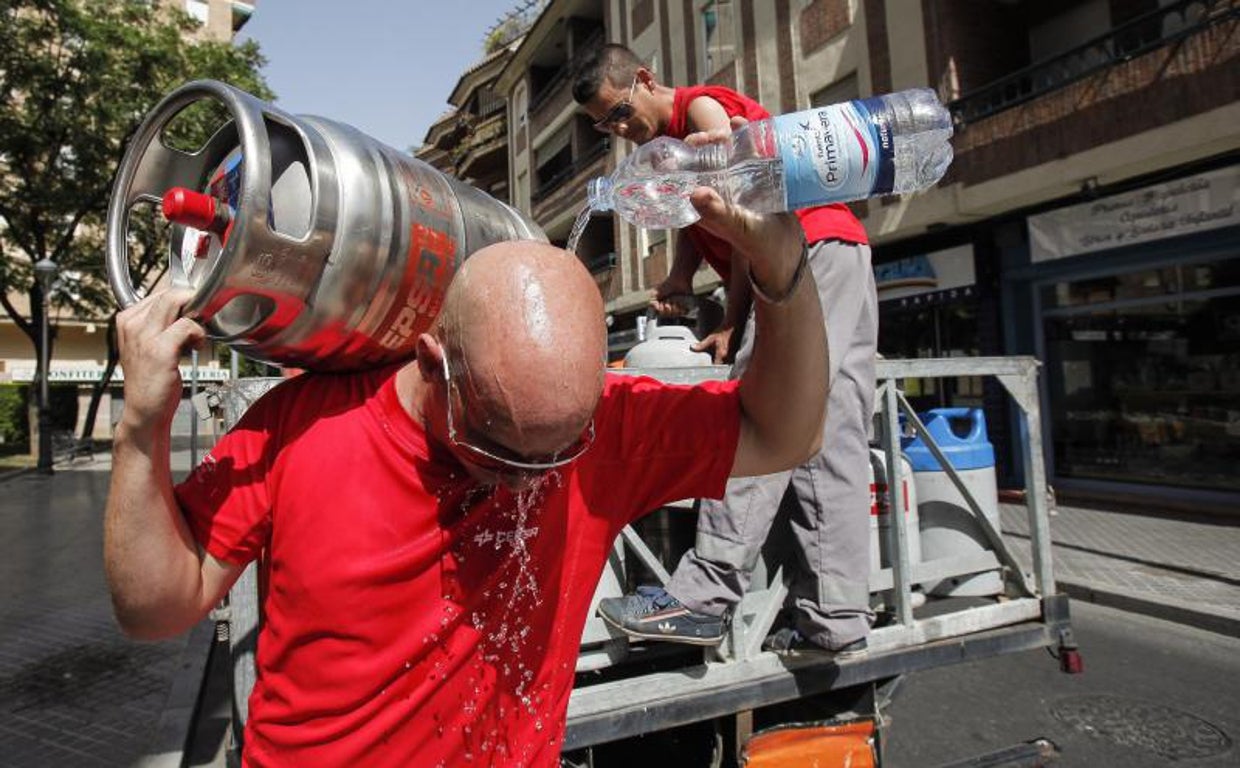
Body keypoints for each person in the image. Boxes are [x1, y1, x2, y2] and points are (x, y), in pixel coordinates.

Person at [103, 154, 829, 767]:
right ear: (435, 360)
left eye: (555, 457)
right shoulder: (299, 427)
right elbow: (154, 609)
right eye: (500, 449)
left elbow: (784, 433)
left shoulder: (605, 428)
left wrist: (781, 264)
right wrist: (142, 429)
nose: (528, 482)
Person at [573, 44, 877, 655]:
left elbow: (745, 224)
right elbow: (698, 220)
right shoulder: (672, 149)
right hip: (840, 248)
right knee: (831, 433)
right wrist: (682, 278)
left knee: (759, 410)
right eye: (605, 126)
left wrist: (734, 323)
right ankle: (836, 619)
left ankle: (700, 599)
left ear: (645, 78)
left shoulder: (704, 110)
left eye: (622, 113)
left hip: (803, 254)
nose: (620, 131)